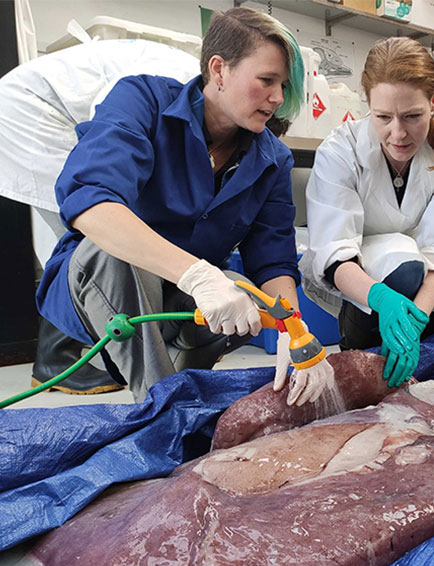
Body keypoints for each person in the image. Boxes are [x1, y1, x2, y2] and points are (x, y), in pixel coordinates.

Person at [35, 7, 328, 404]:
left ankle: (181, 390)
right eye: (266, 81)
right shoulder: (143, 100)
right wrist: (198, 276)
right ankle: (164, 407)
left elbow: (273, 262)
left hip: (185, 304)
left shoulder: (273, 159)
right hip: (110, 286)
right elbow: (91, 199)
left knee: (243, 288)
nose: (278, 97)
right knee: (111, 253)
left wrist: (296, 333)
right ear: (219, 69)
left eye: (283, 85)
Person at [300, 37, 434, 387]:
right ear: (368, 104)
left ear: (432, 101)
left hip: (421, 266)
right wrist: (382, 300)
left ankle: (422, 341)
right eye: (383, 117)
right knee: (404, 264)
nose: (397, 133)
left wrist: (416, 321)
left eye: (412, 117)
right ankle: (363, 343)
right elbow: (335, 253)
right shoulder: (340, 151)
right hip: (365, 277)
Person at [0, 39, 200, 395]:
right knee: (93, 224)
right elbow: (109, 119)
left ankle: (68, 354)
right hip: (34, 116)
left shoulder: (194, 82)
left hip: (50, 110)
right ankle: (55, 358)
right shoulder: (177, 80)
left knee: (106, 226)